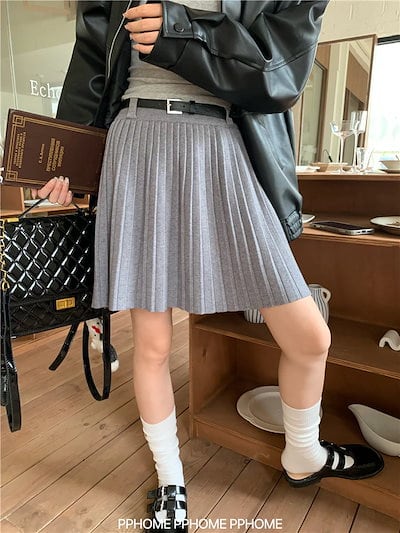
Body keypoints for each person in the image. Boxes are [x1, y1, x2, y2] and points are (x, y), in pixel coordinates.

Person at [32, 1, 384, 532]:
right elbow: (92, 57)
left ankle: (304, 453)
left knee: (311, 337)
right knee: (152, 343)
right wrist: (64, 154)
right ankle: (170, 479)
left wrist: (181, 28)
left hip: (225, 144)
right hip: (138, 143)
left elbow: (280, 72)